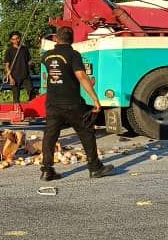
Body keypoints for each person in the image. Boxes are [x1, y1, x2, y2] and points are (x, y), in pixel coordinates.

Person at [40, 26, 113, 181]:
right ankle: (95, 168)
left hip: (52, 102)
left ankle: (47, 170)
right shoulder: (73, 55)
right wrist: (95, 98)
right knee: (86, 132)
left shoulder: (46, 56)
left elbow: (53, 70)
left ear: (56, 38)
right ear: (72, 39)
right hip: (71, 102)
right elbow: (81, 76)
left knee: (50, 135)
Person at [3, 31, 37, 104]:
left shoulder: (25, 49)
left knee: (31, 92)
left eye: (17, 38)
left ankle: (32, 108)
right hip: (14, 76)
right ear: (11, 40)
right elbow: (7, 65)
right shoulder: (9, 51)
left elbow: (29, 60)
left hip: (25, 75)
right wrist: (10, 78)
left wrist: (31, 63)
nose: (16, 40)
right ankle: (17, 110)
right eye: (13, 39)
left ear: (20, 38)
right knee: (16, 97)